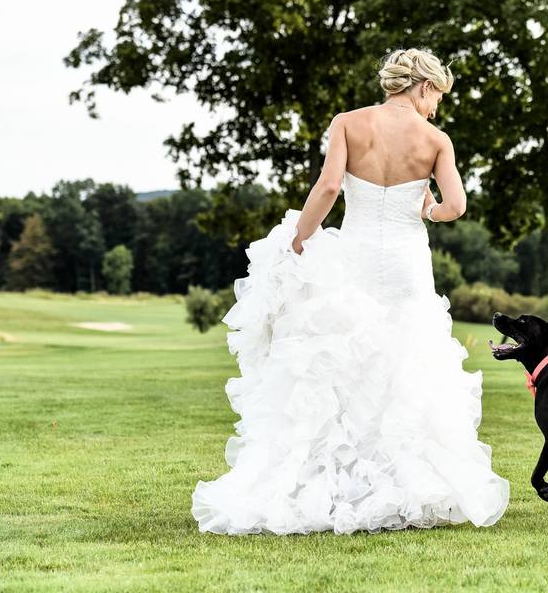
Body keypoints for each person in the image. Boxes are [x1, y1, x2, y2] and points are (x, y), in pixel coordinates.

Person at [191, 48, 510, 535]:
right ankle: (403, 485)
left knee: (342, 363)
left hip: (355, 256)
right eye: (437, 97)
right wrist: (426, 210)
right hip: (406, 264)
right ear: (423, 87)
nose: (436, 108)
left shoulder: (348, 122)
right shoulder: (435, 140)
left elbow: (327, 187)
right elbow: (456, 206)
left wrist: (300, 238)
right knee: (405, 364)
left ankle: (335, 483)